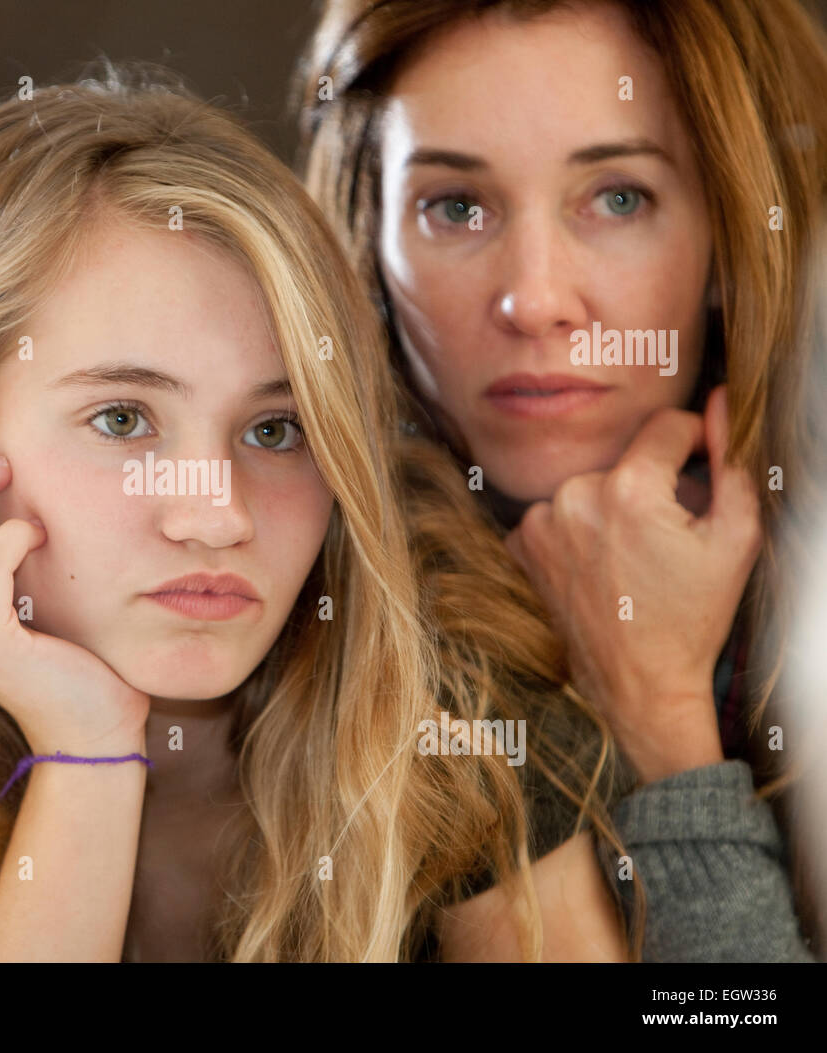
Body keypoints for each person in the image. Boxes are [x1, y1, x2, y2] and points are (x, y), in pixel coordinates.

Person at [0, 66, 636, 962]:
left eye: (276, 431)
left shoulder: (453, 704)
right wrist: (85, 756)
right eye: (122, 418)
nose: (213, 517)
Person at [295, 0, 827, 960]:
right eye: (455, 206)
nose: (534, 298)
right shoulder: (285, 614)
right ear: (368, 243)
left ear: (731, 231)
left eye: (618, 197)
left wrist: (664, 721)